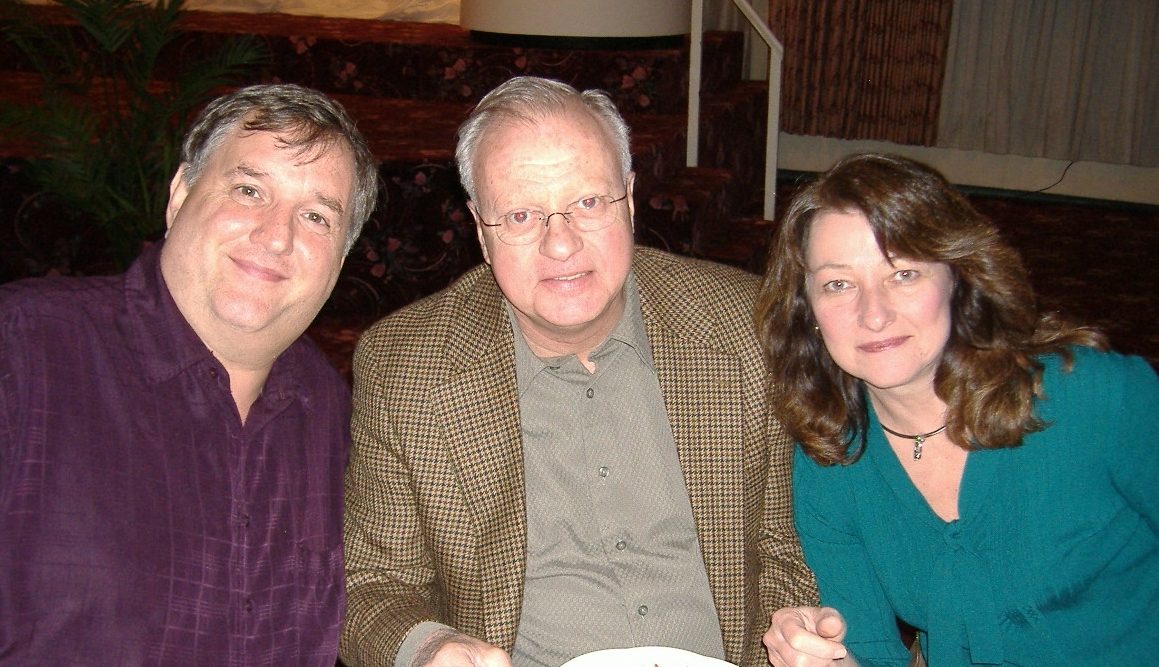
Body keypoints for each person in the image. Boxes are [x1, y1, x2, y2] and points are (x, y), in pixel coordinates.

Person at [340, 75, 818, 667]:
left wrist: (790, 628)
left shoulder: (744, 326)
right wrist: (429, 648)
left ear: (630, 199)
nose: (560, 245)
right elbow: (372, 584)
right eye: (521, 215)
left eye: (588, 203)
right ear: (482, 232)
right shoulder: (406, 368)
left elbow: (783, 545)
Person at [0, 83, 379, 665]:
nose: (277, 236)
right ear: (180, 195)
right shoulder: (25, 348)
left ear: (341, 257)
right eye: (249, 190)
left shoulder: (336, 410)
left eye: (316, 216)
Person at [755, 152, 1159, 667]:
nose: (873, 315)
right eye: (838, 284)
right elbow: (870, 651)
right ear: (807, 310)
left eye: (903, 274)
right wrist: (824, 657)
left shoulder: (1093, 397)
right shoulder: (832, 455)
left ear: (958, 278)